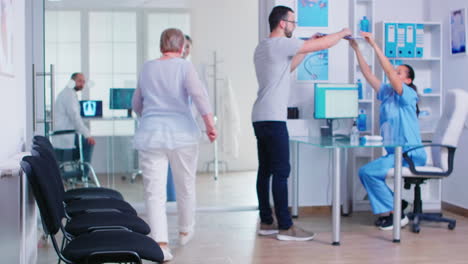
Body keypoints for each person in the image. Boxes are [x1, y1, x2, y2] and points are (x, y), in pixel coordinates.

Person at [252, 5, 351, 241]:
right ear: (282, 23)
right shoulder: (282, 43)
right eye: (293, 23)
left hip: (259, 116)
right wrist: (342, 32)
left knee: (265, 170)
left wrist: (307, 47)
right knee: (282, 171)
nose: (294, 27)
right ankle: (286, 227)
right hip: (274, 118)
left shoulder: (263, 47)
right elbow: (324, 45)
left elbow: (287, 68)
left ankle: (267, 222)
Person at [132, 28, 217, 261]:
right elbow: (199, 96)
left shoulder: (147, 67)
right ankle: (185, 229)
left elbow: (136, 103)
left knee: (153, 191)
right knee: (185, 184)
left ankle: (160, 243)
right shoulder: (184, 66)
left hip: (151, 135)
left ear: (161, 46)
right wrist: (210, 125)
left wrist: (150, 116)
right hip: (182, 135)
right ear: (182, 48)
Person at [349, 32, 427, 230]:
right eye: (396, 71)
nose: (394, 73)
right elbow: (367, 74)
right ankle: (396, 206)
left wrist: (374, 44)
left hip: (409, 154)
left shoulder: (407, 94)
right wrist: (357, 49)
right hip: (395, 153)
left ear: (408, 81)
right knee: (365, 172)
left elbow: (389, 73)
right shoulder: (387, 93)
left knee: (367, 172)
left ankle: (396, 213)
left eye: (400, 72)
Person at [54, 72, 96, 177]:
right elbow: (75, 118)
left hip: (65, 135)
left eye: (83, 82)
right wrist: (88, 134)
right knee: (89, 142)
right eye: (80, 81)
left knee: (85, 141)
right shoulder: (68, 95)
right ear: (72, 81)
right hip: (65, 135)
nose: (82, 84)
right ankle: (83, 175)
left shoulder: (68, 93)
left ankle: (78, 173)